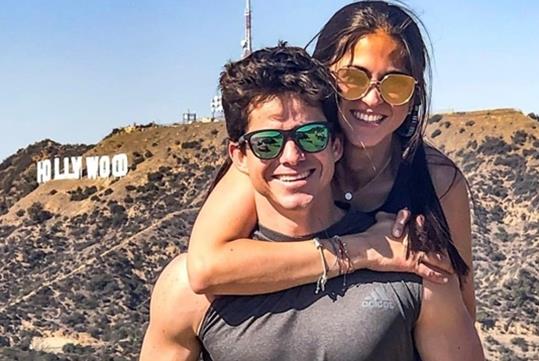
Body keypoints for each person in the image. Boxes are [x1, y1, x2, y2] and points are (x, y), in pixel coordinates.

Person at [140, 44, 483, 361]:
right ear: (239, 156)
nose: (292, 156)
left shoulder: (412, 263)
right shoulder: (186, 292)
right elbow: (203, 269)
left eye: (311, 136)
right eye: (266, 143)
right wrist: (361, 250)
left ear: (336, 145)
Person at [186, 0, 476, 318]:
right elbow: (205, 267)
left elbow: (462, 307)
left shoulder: (438, 181)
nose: (372, 98)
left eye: (396, 84)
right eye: (354, 78)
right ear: (323, 77)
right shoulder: (281, 160)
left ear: (414, 95)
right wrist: (365, 249)